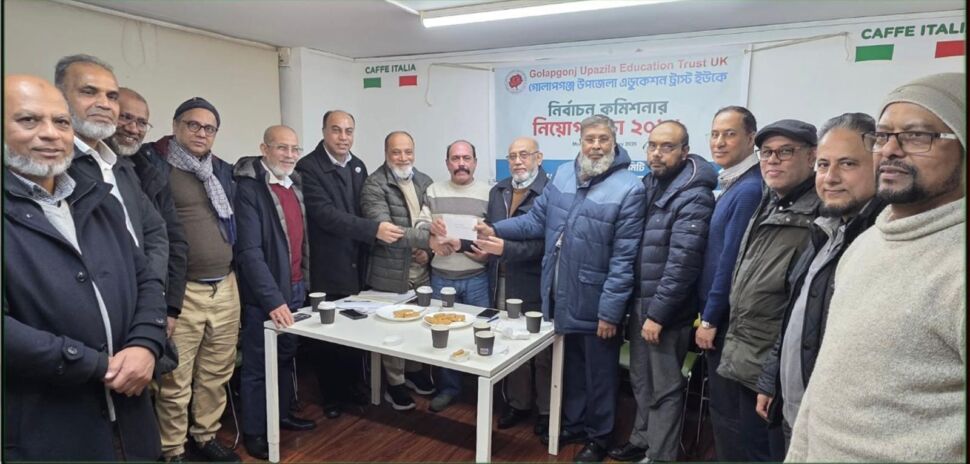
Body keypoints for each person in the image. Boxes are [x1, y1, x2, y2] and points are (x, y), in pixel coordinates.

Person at [787, 73, 966, 462]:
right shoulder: (866, 244)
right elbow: (823, 387)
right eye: (882, 137)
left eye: (917, 136)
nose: (890, 150)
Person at [3, 74, 166, 460]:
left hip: (130, 419)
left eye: (61, 122)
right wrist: (94, 365)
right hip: (46, 428)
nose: (50, 134)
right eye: (28, 120)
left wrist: (146, 343)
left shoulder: (97, 199)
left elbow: (145, 278)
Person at [479, 115, 645, 462]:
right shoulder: (565, 174)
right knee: (570, 369)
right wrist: (496, 229)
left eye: (602, 139)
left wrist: (610, 312)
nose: (595, 146)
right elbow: (535, 221)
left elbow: (624, 258)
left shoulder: (630, 188)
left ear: (614, 142)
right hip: (560, 296)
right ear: (579, 141)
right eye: (589, 139)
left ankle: (599, 438)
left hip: (597, 302)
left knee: (600, 375)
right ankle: (574, 424)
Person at [753, 113, 882, 450]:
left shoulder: (880, 241)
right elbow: (796, 315)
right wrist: (772, 380)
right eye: (824, 165)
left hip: (836, 428)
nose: (831, 177)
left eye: (848, 164)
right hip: (795, 410)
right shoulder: (827, 231)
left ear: (880, 165)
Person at [609, 121, 716, 463]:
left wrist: (658, 315)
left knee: (664, 388)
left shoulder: (694, 195)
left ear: (685, 151)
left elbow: (683, 264)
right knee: (641, 379)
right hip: (641, 302)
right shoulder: (650, 183)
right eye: (652, 145)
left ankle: (660, 456)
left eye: (667, 147)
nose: (657, 153)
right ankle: (641, 440)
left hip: (666, 312)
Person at [717, 119, 820, 461]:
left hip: (774, 367)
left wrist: (772, 375)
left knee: (768, 452)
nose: (773, 160)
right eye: (767, 152)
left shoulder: (819, 216)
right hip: (748, 355)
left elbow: (801, 310)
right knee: (747, 445)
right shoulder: (770, 200)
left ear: (811, 156)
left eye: (785, 152)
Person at [294, 110, 403, 418]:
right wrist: (373, 230)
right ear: (324, 131)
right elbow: (325, 215)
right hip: (328, 265)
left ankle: (354, 386)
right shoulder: (308, 167)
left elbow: (364, 207)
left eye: (348, 131)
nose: (343, 137)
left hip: (357, 263)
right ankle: (332, 396)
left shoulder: (358, 165)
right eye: (336, 130)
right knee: (328, 335)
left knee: (356, 329)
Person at [150, 97, 241, 462]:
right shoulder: (156, 168)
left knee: (217, 371)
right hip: (183, 290)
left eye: (209, 128)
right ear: (176, 126)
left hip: (226, 286)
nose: (202, 133)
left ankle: (205, 435)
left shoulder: (220, 170)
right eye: (193, 125)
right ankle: (172, 449)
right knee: (175, 377)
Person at [55, 55, 170, 298]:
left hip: (139, 299)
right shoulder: (52, 166)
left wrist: (150, 290)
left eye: (112, 96)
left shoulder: (119, 166)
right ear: (59, 99)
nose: (104, 104)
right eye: (89, 92)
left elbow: (155, 231)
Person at [233, 126, 317, 460]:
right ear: (264, 149)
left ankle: (279, 416)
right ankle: (255, 431)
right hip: (267, 295)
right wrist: (273, 300)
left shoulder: (294, 185)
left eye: (295, 149)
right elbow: (249, 253)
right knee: (257, 364)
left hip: (295, 287)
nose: (290, 155)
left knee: (284, 356)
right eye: (282, 148)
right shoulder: (249, 190)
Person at [694, 106, 763, 461]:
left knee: (728, 410)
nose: (719, 142)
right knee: (723, 408)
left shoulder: (749, 189)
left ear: (751, 138)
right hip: (719, 317)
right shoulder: (733, 183)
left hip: (725, 321)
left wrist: (710, 318)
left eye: (730, 134)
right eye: (715, 134)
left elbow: (730, 262)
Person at [474, 136, 551, 435]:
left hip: (534, 283)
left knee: (542, 353)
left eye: (524, 155)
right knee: (509, 344)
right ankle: (518, 403)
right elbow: (490, 232)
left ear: (539, 158)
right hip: (499, 281)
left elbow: (543, 245)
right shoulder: (499, 190)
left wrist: (504, 249)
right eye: (512, 156)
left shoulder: (549, 192)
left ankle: (546, 410)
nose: (518, 161)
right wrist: (479, 248)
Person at [360, 130, 437, 411]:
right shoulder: (374, 184)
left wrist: (428, 251)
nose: (403, 157)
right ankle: (395, 384)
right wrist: (429, 241)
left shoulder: (425, 181)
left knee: (418, 324)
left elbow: (434, 221)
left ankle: (414, 372)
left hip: (421, 269)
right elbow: (386, 230)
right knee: (392, 329)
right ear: (386, 154)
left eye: (408, 151)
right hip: (390, 271)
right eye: (396, 152)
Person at [106, 87, 188, 339]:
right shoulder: (72, 170)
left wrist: (168, 305)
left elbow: (166, 237)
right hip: (108, 302)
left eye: (141, 122)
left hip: (148, 298)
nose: (133, 128)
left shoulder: (146, 171)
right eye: (125, 117)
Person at [422, 139, 492, 413]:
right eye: (455, 158)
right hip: (441, 278)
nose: (461, 164)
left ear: (475, 162)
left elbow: (494, 233)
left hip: (477, 278)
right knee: (444, 335)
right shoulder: (433, 191)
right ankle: (449, 389)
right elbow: (419, 224)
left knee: (481, 332)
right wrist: (430, 229)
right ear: (447, 163)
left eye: (466, 158)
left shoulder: (489, 193)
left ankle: (482, 389)